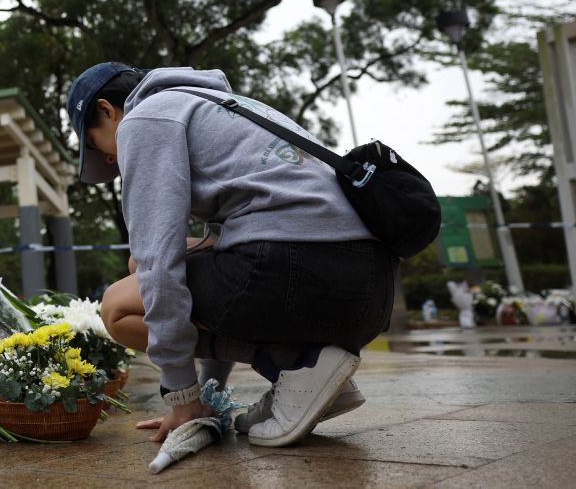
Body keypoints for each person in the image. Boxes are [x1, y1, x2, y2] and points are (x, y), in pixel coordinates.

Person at [66, 63, 396, 447]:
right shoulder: (219, 103)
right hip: (369, 287)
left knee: (117, 307)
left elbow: (159, 260)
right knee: (141, 267)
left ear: (107, 111)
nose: (109, 159)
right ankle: (307, 370)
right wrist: (207, 395)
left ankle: (296, 364)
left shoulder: (145, 119)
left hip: (305, 272)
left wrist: (182, 398)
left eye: (94, 144)